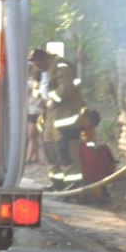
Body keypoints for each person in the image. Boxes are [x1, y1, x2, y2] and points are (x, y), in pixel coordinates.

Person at [29, 48, 85, 189]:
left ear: (44, 58)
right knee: (50, 150)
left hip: (66, 117)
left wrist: (52, 99)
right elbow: (41, 89)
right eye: (35, 64)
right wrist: (41, 98)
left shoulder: (61, 65)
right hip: (50, 116)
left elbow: (66, 87)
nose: (37, 67)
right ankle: (57, 183)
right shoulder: (43, 71)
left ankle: (73, 183)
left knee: (65, 151)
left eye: (38, 63)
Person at [25, 65, 45, 164]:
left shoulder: (35, 83)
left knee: (31, 135)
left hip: (35, 111)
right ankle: (36, 157)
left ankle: (29, 158)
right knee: (34, 136)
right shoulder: (32, 82)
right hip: (33, 110)